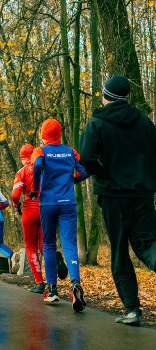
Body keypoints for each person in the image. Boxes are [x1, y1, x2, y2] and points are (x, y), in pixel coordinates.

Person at [79, 75, 156, 325]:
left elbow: (87, 159)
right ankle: (132, 309)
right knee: (146, 244)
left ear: (106, 95)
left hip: (114, 195)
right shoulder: (145, 123)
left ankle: (132, 310)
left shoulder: (97, 124)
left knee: (120, 250)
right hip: (143, 193)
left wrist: (103, 174)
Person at [30, 118, 88, 312]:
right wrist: (71, 180)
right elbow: (84, 172)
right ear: (59, 133)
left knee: (48, 244)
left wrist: (36, 187)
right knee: (69, 244)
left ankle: (53, 289)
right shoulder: (71, 152)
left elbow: (37, 165)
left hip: (48, 202)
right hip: (68, 202)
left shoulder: (40, 151)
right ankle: (75, 284)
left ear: (43, 135)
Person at [11, 144, 45, 293]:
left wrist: (15, 205)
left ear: (23, 157)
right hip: (45, 208)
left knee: (31, 247)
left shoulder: (21, 172)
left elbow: (15, 195)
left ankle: (39, 282)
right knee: (46, 244)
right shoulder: (44, 168)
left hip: (29, 209)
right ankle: (55, 265)